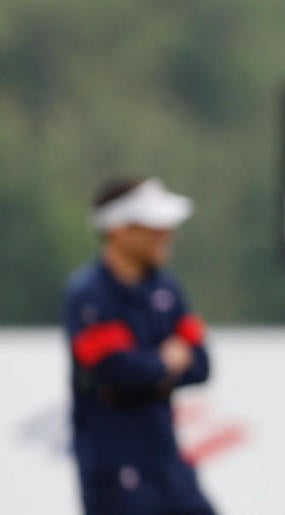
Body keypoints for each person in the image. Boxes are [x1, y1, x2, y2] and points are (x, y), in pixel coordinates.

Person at [62, 177, 216, 515]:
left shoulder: (167, 288)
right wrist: (164, 363)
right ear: (119, 229)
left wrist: (151, 367)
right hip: (114, 471)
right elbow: (115, 371)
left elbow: (201, 364)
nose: (166, 235)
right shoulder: (89, 294)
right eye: (154, 226)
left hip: (167, 463)